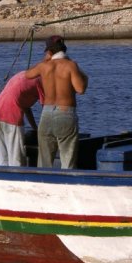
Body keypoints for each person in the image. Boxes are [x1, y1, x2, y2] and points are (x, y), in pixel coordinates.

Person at [25, 35, 88, 169]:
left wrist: (44, 60)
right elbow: (80, 89)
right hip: (66, 113)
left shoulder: (43, 66)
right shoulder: (70, 65)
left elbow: (28, 74)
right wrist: (84, 76)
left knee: (44, 162)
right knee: (67, 161)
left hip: (46, 114)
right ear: (64, 49)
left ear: (49, 51)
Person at [0, 71, 44, 166]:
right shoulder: (41, 81)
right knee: (16, 159)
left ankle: (4, 178)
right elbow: (47, 108)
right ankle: (17, 178)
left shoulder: (24, 75)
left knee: (3, 158)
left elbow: (26, 107)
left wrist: (35, 128)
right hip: (11, 117)